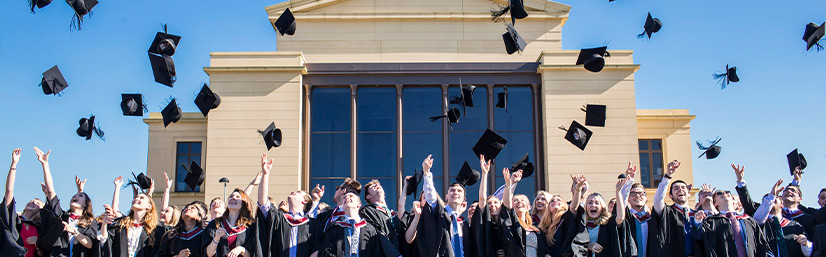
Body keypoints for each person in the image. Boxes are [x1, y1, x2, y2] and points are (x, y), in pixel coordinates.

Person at [34, 147, 101, 257]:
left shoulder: (91, 222)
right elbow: (51, 191)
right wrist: (45, 164)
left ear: (85, 204)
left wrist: (74, 232)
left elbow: (90, 244)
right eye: (74, 195)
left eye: (80, 195)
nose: (75, 196)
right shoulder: (61, 216)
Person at [255, 153, 316, 257]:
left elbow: (316, 250)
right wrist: (265, 174)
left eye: (298, 192)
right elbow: (263, 202)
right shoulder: (279, 218)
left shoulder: (312, 225)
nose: (293, 191)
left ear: (304, 201)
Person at [734, 164, 817, 236]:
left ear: (800, 199)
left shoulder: (808, 218)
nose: (789, 191)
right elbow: (748, 204)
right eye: (786, 190)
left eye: (793, 191)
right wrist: (740, 182)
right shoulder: (763, 215)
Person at [418, 154, 474, 257]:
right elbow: (430, 196)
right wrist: (427, 173)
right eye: (452, 190)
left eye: (459, 191)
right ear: (446, 196)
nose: (455, 192)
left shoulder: (464, 224)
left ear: (464, 199)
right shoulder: (439, 214)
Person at [318, 190, 400, 257]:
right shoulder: (334, 228)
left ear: (358, 205)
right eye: (345, 197)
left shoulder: (370, 229)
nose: (347, 198)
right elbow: (327, 252)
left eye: (351, 196)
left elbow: (376, 253)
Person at [692, 189, 769, 257]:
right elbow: (700, 238)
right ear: (715, 204)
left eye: (727, 192)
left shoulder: (749, 221)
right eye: (719, 193)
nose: (724, 193)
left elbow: (762, 246)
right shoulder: (711, 222)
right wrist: (698, 222)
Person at [99, 183, 168, 257]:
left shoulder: (154, 229)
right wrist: (104, 224)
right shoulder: (121, 224)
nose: (136, 199)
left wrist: (166, 189)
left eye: (141, 198)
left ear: (149, 206)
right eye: (136, 197)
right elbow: (105, 241)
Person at [2, 148, 46, 257]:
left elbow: (41, 254)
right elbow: (9, 192)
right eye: (31, 201)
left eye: (37, 203)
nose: (32, 203)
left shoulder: (40, 229)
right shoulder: (14, 220)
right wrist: (14, 164)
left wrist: (38, 244)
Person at [751, 179, 812, 257]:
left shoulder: (795, 226)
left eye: (775, 198)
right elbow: (757, 218)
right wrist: (772, 195)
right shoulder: (761, 225)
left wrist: (805, 244)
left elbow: (808, 253)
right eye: (766, 201)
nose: (771, 201)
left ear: (782, 204)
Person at [499, 166, 551, 257]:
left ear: (529, 207)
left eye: (522, 200)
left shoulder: (537, 229)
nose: (519, 201)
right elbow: (506, 205)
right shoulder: (511, 224)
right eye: (515, 200)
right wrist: (509, 184)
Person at [652, 160, 698, 257]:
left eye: (683, 187)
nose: (680, 189)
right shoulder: (667, 212)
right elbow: (657, 200)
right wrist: (668, 176)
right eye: (676, 188)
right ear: (670, 196)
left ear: (689, 193)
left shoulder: (697, 214)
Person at [617, 161, 661, 257]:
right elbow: (622, 202)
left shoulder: (652, 219)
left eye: (641, 193)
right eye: (633, 193)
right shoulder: (626, 218)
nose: (637, 196)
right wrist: (629, 181)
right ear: (628, 199)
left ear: (646, 199)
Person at [203, 188, 256, 257]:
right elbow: (208, 254)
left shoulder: (250, 227)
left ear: (243, 203)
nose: (233, 198)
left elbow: (253, 254)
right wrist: (216, 238)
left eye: (237, 197)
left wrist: (242, 250)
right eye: (231, 196)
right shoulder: (215, 224)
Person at [360, 179, 401, 250]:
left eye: (379, 185)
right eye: (373, 186)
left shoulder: (393, 215)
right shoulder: (367, 211)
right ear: (368, 196)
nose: (377, 185)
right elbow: (377, 234)